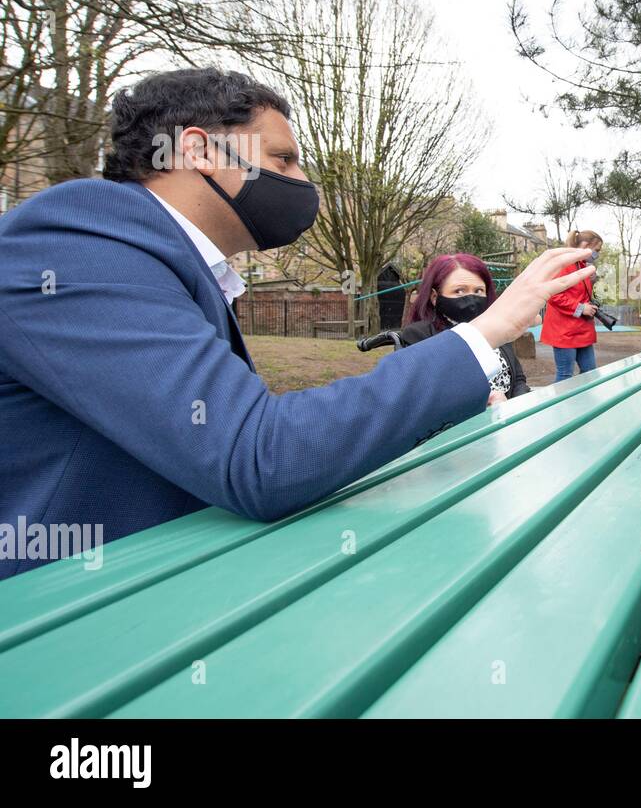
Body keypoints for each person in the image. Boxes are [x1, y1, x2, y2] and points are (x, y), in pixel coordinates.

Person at [0, 68, 594, 579]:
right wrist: (487, 330)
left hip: (155, 581)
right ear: (201, 151)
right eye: (282, 158)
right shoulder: (79, 241)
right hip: (59, 620)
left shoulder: (167, 260)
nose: (302, 181)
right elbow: (257, 454)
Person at [401, 253, 530, 404]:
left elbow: (518, 380)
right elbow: (423, 395)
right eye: (459, 291)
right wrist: (483, 402)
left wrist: (517, 407)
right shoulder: (419, 335)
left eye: (478, 291)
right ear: (435, 297)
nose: (471, 299)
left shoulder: (496, 330)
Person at [540, 229, 602, 382]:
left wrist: (591, 282)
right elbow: (553, 294)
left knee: (590, 373)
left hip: (581, 328)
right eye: (597, 250)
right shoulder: (564, 264)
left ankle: (585, 404)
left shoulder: (582, 265)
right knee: (565, 375)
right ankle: (560, 406)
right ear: (586, 245)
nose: (597, 254)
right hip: (564, 330)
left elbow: (578, 293)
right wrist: (581, 308)